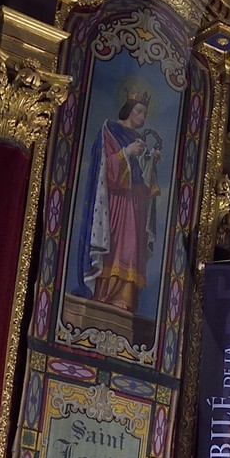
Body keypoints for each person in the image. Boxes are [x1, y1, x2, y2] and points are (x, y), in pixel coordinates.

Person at [75, 80, 162, 317]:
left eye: (145, 114)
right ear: (129, 109)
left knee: (132, 247)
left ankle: (124, 297)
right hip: (115, 199)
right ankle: (105, 294)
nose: (142, 117)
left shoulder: (138, 138)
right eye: (139, 111)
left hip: (134, 199)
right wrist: (126, 152)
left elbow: (141, 174)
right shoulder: (110, 130)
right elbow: (105, 165)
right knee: (116, 244)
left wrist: (149, 160)